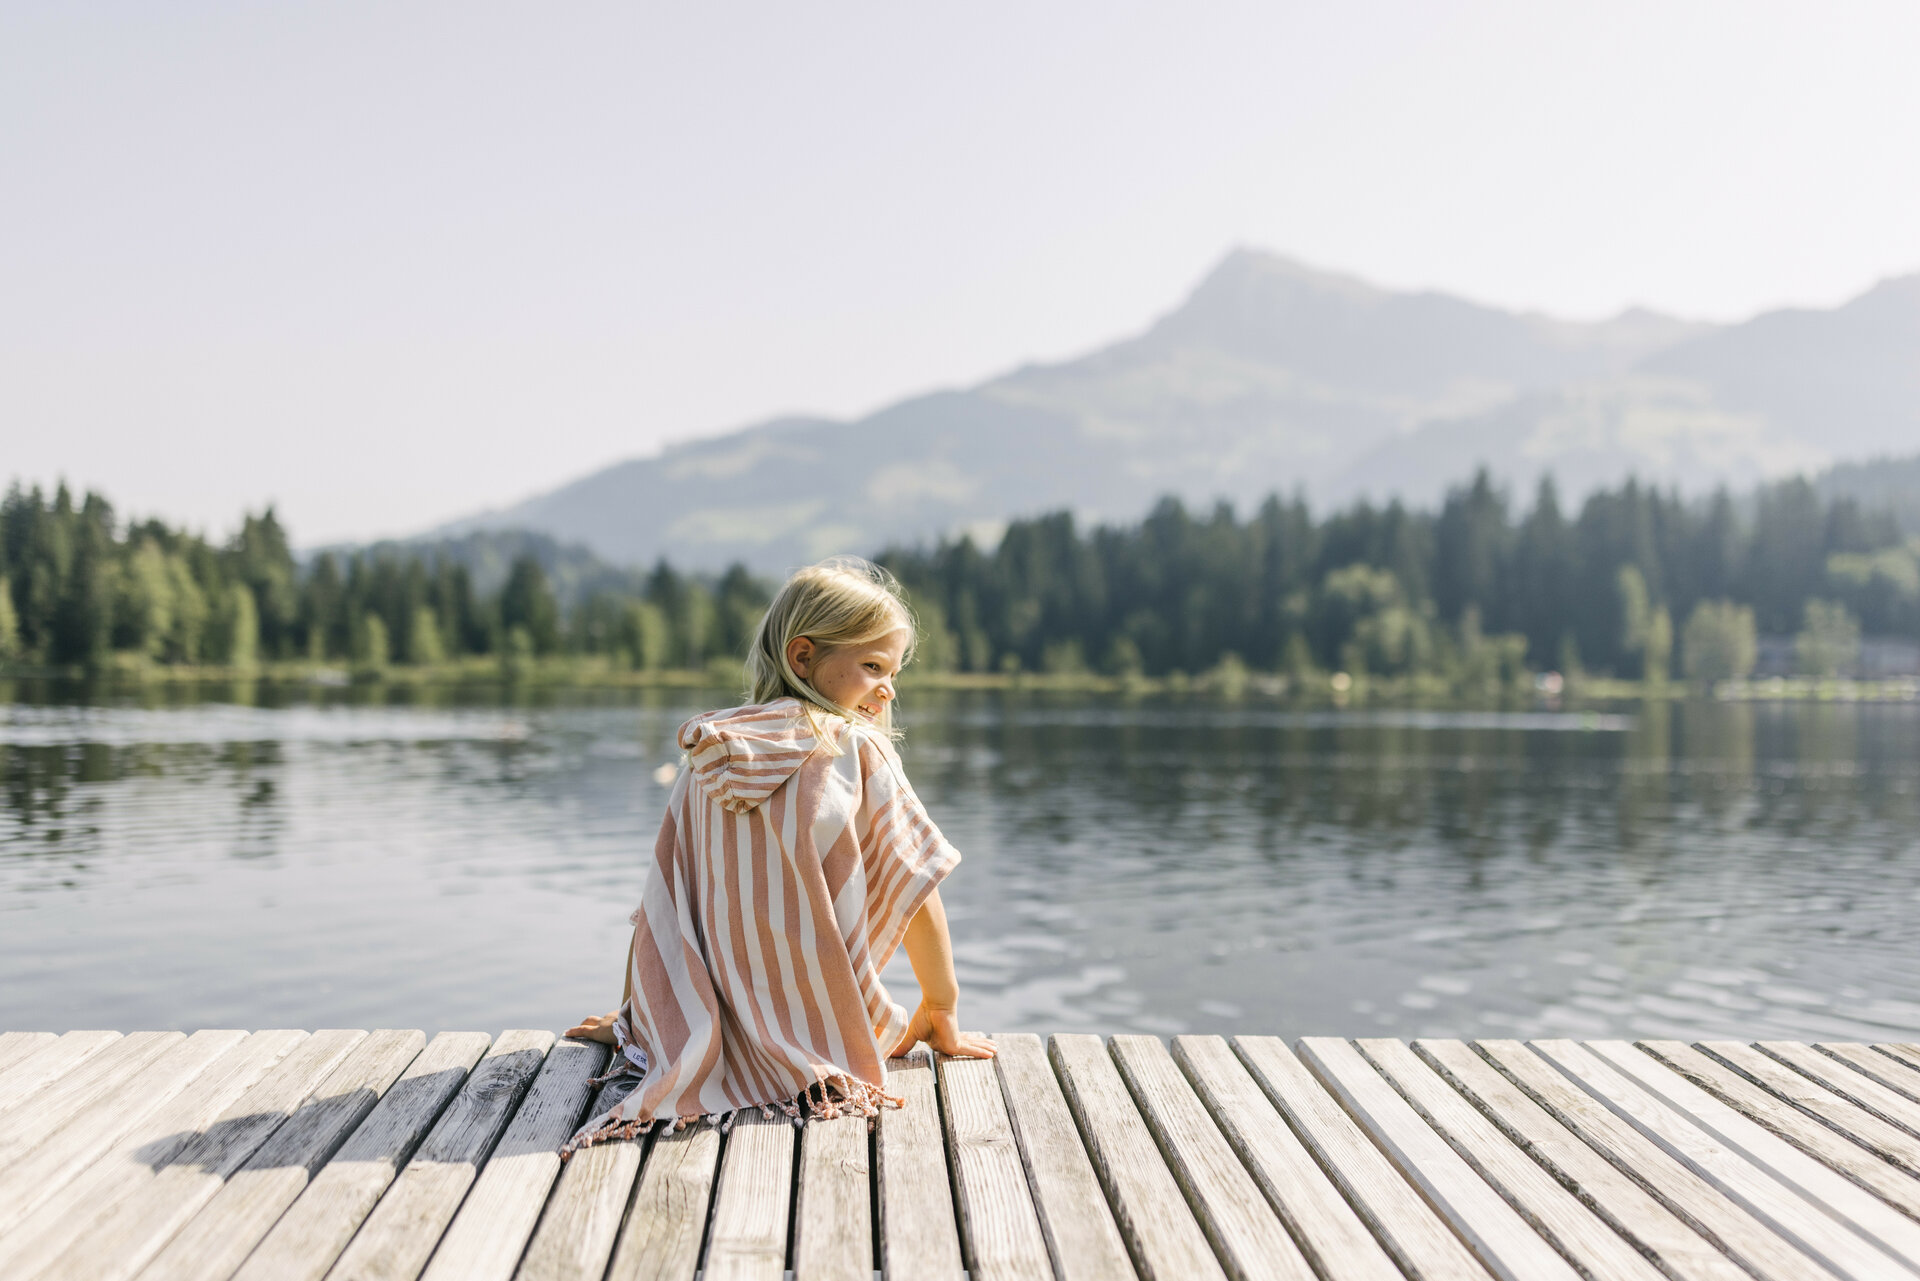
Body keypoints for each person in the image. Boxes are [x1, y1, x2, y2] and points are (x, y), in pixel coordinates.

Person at [562, 557, 993, 1152]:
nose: (888, 688)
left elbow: (664, 906)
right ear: (803, 657)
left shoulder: (707, 757)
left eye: (894, 672)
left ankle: (676, 1035)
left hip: (704, 1031)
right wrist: (941, 1008)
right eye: (873, 666)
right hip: (819, 1036)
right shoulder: (855, 752)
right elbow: (917, 885)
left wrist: (647, 1018)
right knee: (873, 1017)